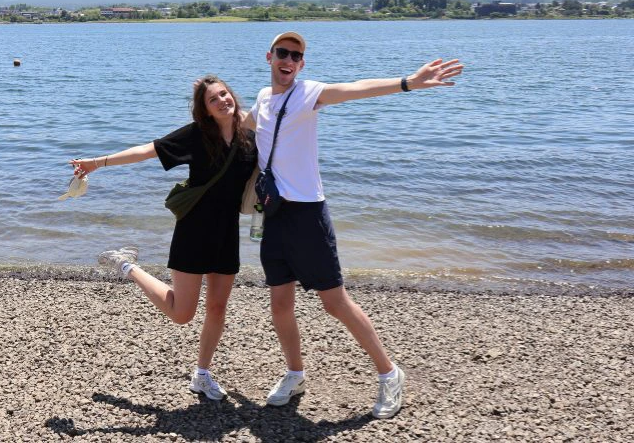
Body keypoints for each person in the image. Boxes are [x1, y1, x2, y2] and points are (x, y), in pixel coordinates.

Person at [243, 31, 463, 418]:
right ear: (269, 56)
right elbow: (239, 133)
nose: (288, 60)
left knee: (334, 302)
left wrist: (409, 82)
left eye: (296, 55)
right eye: (283, 52)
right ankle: (295, 373)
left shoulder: (308, 93)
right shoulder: (263, 98)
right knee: (280, 302)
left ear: (302, 64)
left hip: (308, 214)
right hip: (273, 214)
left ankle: (390, 372)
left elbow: (355, 89)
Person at [70, 75, 256, 401]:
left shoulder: (249, 131)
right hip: (194, 230)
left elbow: (281, 111)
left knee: (217, 307)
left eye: (224, 94)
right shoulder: (197, 136)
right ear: (205, 111)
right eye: (213, 100)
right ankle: (127, 265)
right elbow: (147, 151)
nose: (222, 101)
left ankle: (202, 375)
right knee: (182, 313)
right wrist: (97, 163)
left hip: (227, 233)